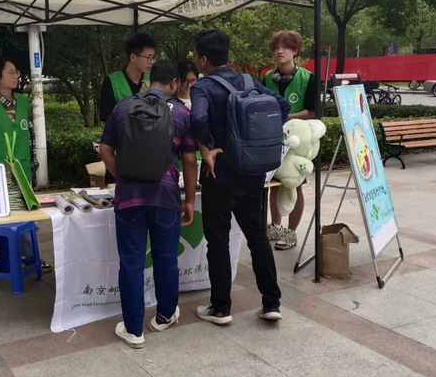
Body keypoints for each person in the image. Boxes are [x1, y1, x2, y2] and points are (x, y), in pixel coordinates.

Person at [190, 30, 290, 324]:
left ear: (203, 59)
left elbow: (198, 118)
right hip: (253, 173)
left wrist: (208, 146)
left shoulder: (203, 87)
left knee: (218, 241)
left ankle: (221, 308)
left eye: (195, 55)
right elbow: (282, 106)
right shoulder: (248, 81)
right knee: (257, 238)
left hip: (219, 174)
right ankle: (271, 303)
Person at [99, 60, 197, 348]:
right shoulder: (182, 112)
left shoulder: (123, 107)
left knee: (131, 261)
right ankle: (164, 316)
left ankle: (133, 330)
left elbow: (105, 150)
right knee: (166, 257)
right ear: (174, 83)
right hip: (165, 196)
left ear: (150, 80)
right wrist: (189, 199)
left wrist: (122, 176)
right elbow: (190, 161)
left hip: (129, 196)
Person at [0, 57, 50, 272]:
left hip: (22, 171)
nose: (15, 76)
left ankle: (31, 256)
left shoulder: (23, 103)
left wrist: (33, 165)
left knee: (26, 215)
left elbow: (30, 136)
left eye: (16, 72)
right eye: (10, 72)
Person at [263, 30, 317, 251]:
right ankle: (276, 226)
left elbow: (312, 111)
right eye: (276, 47)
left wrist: (286, 117)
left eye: (285, 47)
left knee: (295, 185)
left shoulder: (308, 78)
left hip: (298, 143)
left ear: (295, 51)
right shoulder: (267, 77)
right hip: (272, 139)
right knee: (273, 186)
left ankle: (291, 232)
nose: (280, 51)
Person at [98, 32, 156, 122]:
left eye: (153, 57)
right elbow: (108, 117)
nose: (151, 62)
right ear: (133, 57)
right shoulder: (111, 81)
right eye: (148, 57)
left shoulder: (154, 78)